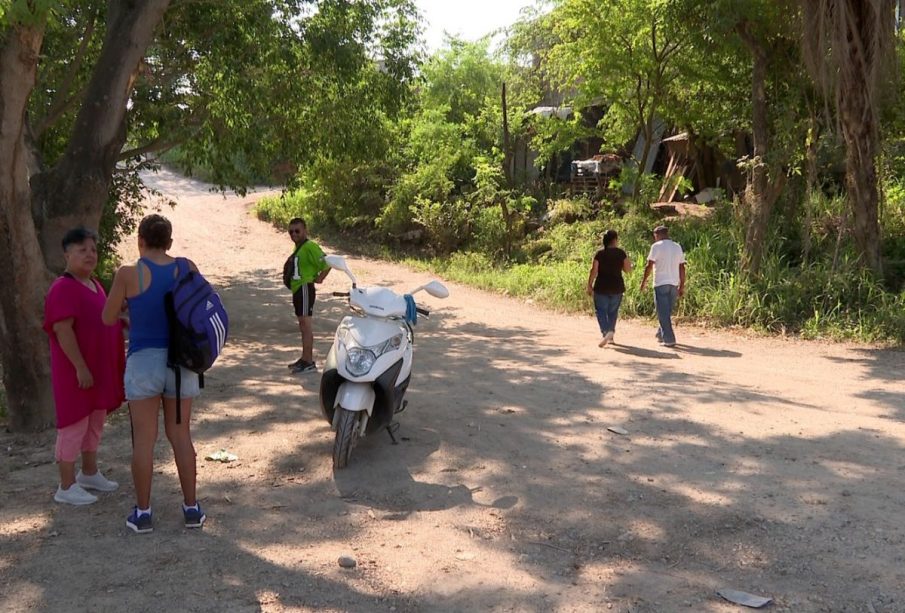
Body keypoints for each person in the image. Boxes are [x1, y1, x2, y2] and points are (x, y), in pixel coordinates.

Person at [102, 214, 205, 533]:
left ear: (140, 240)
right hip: (181, 363)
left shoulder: (129, 273)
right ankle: (191, 509)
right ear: (170, 242)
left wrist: (128, 314)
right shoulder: (185, 268)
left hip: (144, 361)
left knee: (144, 442)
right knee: (181, 436)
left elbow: (107, 318)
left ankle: (143, 513)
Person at [44, 228, 125, 506]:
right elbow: (62, 330)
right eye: (82, 250)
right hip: (76, 373)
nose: (90, 254)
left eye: (92, 249)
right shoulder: (63, 287)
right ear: (67, 254)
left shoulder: (95, 285)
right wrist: (80, 367)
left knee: (95, 423)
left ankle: (89, 472)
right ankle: (66, 485)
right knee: (73, 425)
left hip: (98, 371)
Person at [285, 217, 330, 374]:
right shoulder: (298, 248)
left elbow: (326, 263)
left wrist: (320, 278)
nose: (294, 234)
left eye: (297, 231)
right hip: (298, 289)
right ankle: (305, 358)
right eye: (291, 231)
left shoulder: (310, 246)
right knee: (302, 325)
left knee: (306, 325)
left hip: (305, 288)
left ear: (305, 230)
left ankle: (309, 361)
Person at [639, 225, 686, 347]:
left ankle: (669, 339)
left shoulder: (656, 247)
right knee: (666, 311)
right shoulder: (677, 246)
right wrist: (682, 285)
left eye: (655, 236)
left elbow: (649, 265)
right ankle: (661, 334)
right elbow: (682, 267)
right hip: (673, 284)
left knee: (662, 312)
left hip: (660, 283)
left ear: (658, 235)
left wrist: (644, 281)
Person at [586, 229, 632, 347]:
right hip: (617, 287)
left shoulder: (599, 254)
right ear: (615, 240)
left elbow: (594, 270)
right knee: (613, 312)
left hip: (601, 286)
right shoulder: (621, 253)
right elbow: (628, 270)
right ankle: (610, 336)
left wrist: (589, 284)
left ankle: (606, 331)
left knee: (601, 311)